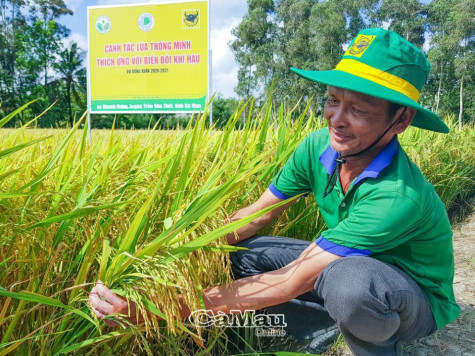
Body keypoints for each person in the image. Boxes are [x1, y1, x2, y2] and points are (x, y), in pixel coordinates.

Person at [89, 28, 460, 355]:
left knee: (350, 284)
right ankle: (289, 330)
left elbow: (292, 279)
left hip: (410, 298)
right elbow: (258, 214)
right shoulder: (318, 147)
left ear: (401, 120)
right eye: (333, 100)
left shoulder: (398, 195)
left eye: (357, 110)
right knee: (243, 251)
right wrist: (167, 257)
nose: (336, 119)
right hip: (342, 264)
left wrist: (160, 310)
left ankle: (375, 346)